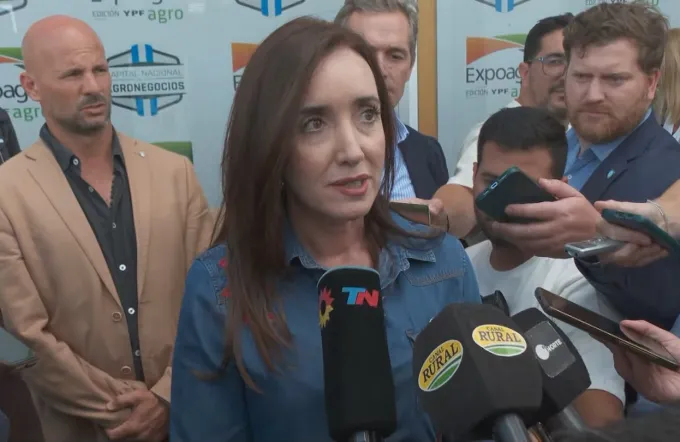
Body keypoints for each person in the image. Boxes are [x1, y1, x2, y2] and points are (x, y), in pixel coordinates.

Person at [169, 17, 482, 442]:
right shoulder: (220, 287)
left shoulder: (443, 260)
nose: (352, 150)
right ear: (270, 143)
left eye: (368, 114)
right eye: (314, 123)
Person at [0, 16, 214, 442]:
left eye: (99, 69)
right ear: (31, 86)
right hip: (80, 429)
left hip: (186, 420)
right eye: (72, 74)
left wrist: (167, 397)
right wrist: (125, 414)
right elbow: (27, 334)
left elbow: (213, 298)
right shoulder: (7, 193)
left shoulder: (175, 173)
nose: (93, 86)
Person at [488, 2, 680, 329]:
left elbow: (664, 302)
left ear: (652, 83)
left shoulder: (670, 176)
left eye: (614, 79)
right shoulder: (555, 144)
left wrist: (598, 242)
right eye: (581, 76)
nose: (593, 94)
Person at [467, 106, 624, 427]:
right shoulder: (458, 266)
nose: (505, 205)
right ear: (473, 175)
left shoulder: (577, 281)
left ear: (558, 189)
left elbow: (601, 424)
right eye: (492, 183)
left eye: (520, 188)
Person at [435, 13, 573, 239]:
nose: (567, 75)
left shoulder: (580, 137)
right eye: (555, 61)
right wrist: (439, 216)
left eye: (576, 64)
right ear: (524, 72)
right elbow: (462, 195)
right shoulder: (494, 132)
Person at [335, 0, 449, 205]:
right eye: (364, 53)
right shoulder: (307, 153)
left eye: (395, 56)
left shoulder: (428, 152)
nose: (380, 69)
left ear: (411, 66)